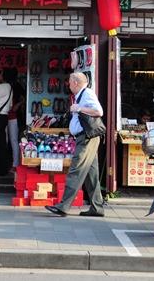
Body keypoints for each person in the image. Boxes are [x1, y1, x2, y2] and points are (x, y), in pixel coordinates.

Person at [45, 72, 104, 217]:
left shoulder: (87, 93)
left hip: (86, 138)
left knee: (75, 170)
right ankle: (97, 208)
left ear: (76, 82)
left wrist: (78, 108)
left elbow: (99, 111)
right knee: (91, 175)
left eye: (70, 82)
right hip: (87, 137)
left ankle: (63, 206)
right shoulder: (81, 95)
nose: (68, 84)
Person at [5, 68, 25, 173]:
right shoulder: (8, 86)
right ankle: (12, 163)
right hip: (8, 116)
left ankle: (15, 164)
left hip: (13, 116)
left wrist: (18, 105)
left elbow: (24, 97)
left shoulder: (16, 86)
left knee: (12, 140)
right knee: (10, 140)